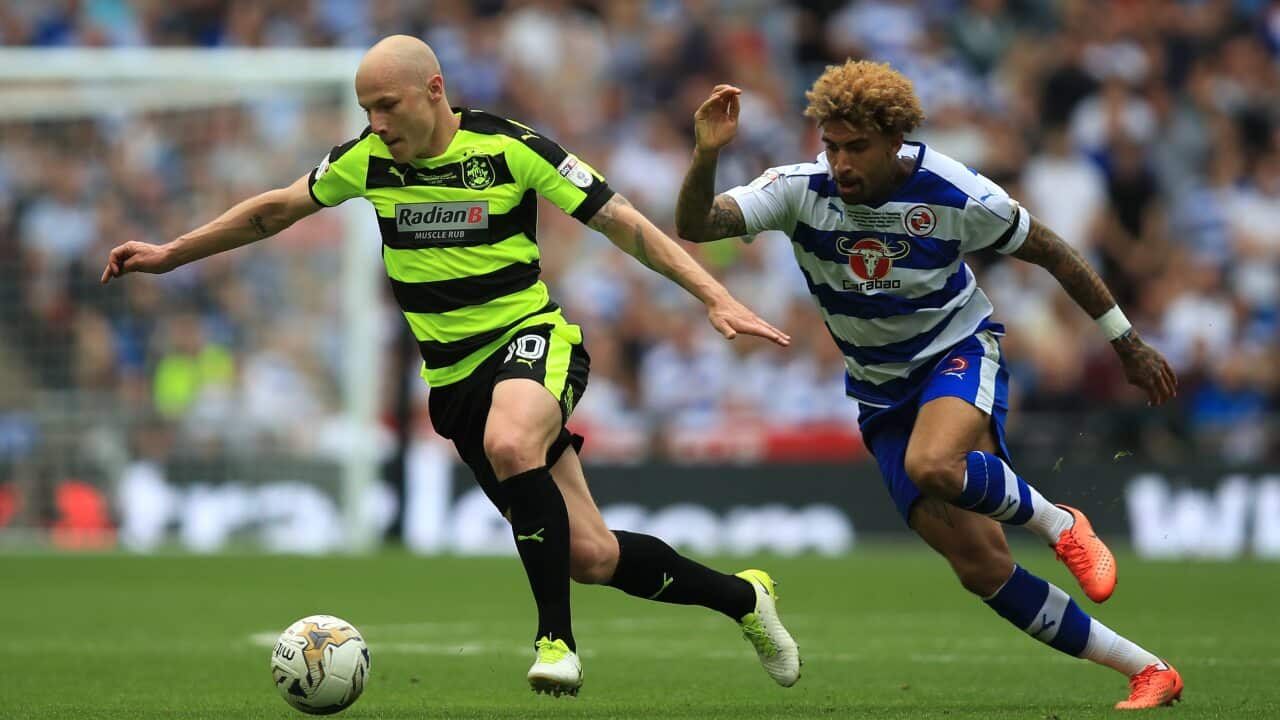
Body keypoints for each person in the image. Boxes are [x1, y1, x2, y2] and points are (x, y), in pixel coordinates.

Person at [101, 35, 801, 697]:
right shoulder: (364, 162)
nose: (375, 124)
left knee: (510, 440)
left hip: (532, 340)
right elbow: (272, 213)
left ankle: (554, 642)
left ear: (433, 91)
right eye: (365, 110)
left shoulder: (511, 148)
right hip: (456, 380)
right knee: (589, 556)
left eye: (387, 106)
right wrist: (170, 253)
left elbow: (624, 222)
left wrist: (715, 295)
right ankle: (745, 598)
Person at [675, 61, 1182, 710]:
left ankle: (1060, 524)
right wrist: (705, 155)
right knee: (982, 568)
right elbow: (698, 225)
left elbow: (1053, 251)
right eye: (831, 146)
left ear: (895, 141)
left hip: (957, 351)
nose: (841, 163)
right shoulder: (801, 190)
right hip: (880, 395)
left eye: (857, 147)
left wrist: (1127, 343)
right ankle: (1149, 670)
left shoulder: (955, 193)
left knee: (935, 463)